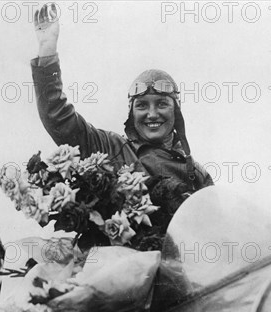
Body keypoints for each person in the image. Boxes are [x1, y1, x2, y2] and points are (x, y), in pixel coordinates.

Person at [31, 4, 213, 199]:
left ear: (176, 110)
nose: (152, 114)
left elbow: (216, 224)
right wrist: (47, 50)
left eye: (161, 104)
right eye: (142, 105)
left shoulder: (197, 175)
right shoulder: (109, 148)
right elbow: (58, 118)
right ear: (131, 113)